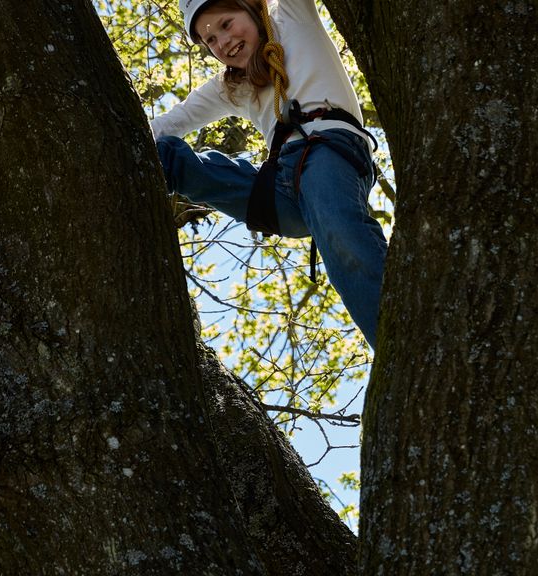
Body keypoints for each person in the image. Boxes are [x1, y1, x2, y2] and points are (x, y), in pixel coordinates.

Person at [151, 0, 388, 348]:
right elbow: (175, 121)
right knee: (188, 167)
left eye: (227, 24)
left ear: (250, 8)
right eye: (211, 41)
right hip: (282, 190)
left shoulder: (290, 17)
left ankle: (394, 341)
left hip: (328, 153)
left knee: (341, 236)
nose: (223, 42)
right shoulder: (230, 86)